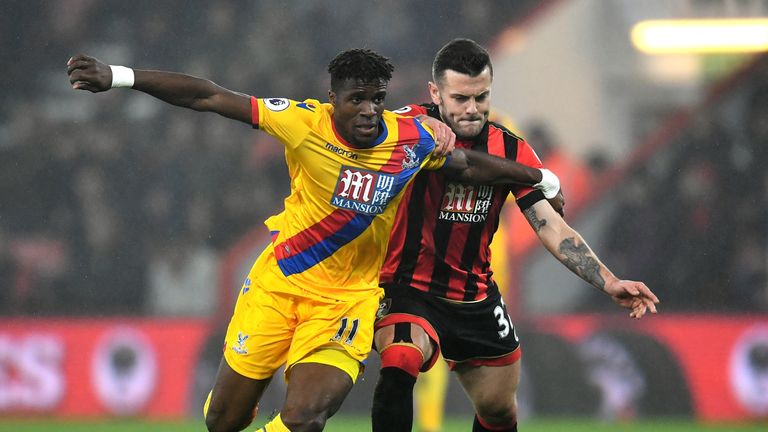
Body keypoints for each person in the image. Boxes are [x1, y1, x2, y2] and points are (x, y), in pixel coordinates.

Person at [66, 48, 561, 432]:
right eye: (357, 100)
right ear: (334, 101)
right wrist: (120, 76)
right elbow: (208, 96)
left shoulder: (412, 138)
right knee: (223, 421)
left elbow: (469, 164)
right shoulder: (302, 123)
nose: (369, 110)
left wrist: (540, 178)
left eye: (376, 99)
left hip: (347, 303)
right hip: (279, 287)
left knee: (305, 419)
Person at [371, 38, 660, 432]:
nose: (472, 109)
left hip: (474, 293)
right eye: (460, 99)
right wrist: (541, 176)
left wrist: (609, 281)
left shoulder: (511, 148)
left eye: (481, 97)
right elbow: (400, 130)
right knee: (401, 360)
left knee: (498, 410)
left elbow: (551, 226)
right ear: (435, 93)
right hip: (409, 287)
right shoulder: (411, 125)